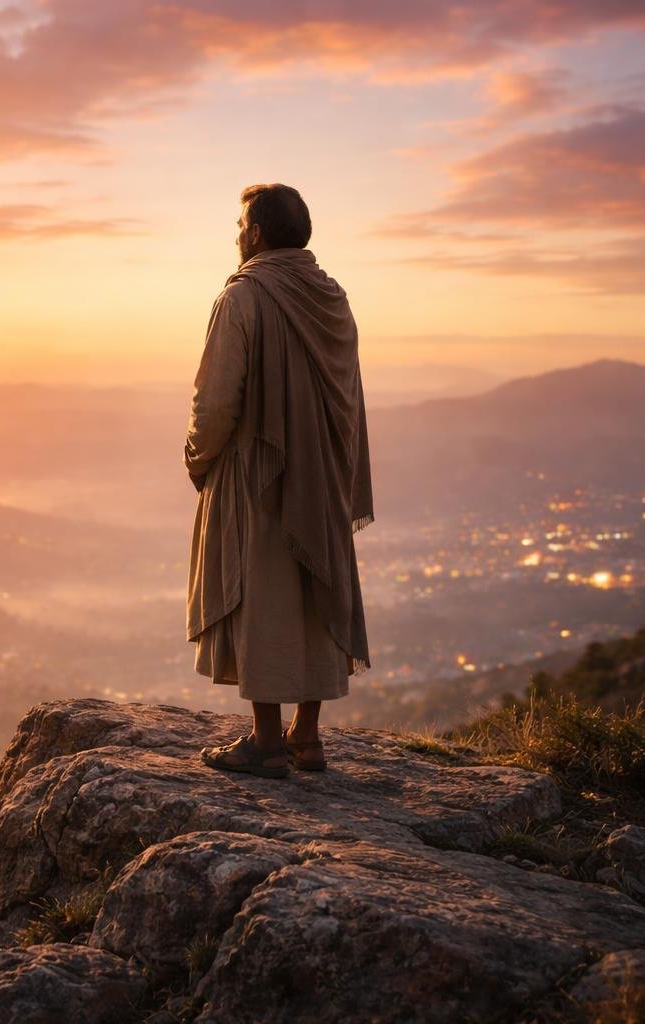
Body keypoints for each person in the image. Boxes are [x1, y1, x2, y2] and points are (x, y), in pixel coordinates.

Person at [184, 183, 374, 779]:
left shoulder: (242, 298)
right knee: (315, 589)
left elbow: (216, 401)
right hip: (324, 470)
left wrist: (198, 456)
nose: (237, 235)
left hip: (257, 472)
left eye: (241, 224)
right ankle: (308, 738)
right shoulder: (332, 297)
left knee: (260, 592)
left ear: (257, 233)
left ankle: (266, 740)